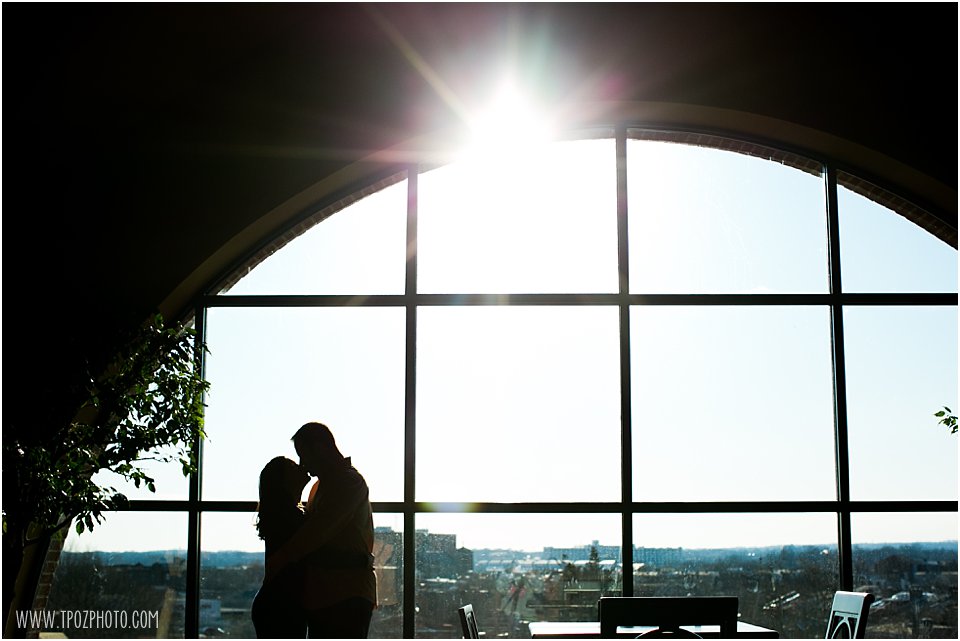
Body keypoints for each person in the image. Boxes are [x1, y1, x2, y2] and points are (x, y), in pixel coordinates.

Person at [263, 422, 378, 638]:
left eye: (303, 455)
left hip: (343, 593)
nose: (302, 464)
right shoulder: (329, 485)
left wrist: (281, 558)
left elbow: (316, 534)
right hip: (335, 593)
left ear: (319, 448)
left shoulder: (347, 483)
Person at [251, 456, 310, 638]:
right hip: (283, 605)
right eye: (293, 467)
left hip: (275, 603)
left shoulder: (283, 517)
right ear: (285, 482)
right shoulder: (292, 519)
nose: (301, 467)